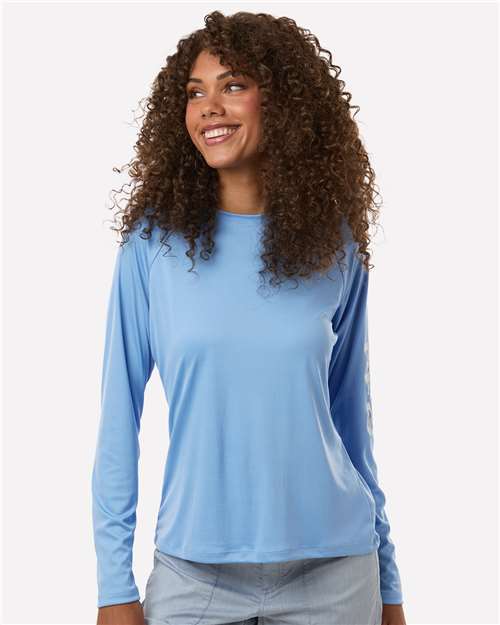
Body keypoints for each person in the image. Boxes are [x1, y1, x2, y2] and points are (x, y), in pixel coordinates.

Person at [92, 10, 407, 625]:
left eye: (233, 85)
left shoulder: (334, 245)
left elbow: (353, 424)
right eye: (195, 92)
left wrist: (389, 585)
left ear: (282, 102)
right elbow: (117, 420)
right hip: (193, 574)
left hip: (336, 573)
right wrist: (113, 586)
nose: (209, 107)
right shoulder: (152, 247)